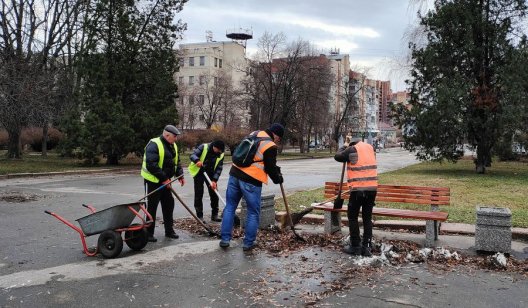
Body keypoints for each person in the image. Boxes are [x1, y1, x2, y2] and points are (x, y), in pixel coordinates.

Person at [219, 123, 285, 251]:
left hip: (234, 174)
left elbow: (254, 155)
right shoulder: (270, 145)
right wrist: (278, 179)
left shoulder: (254, 133)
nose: (278, 141)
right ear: (276, 135)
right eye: (279, 138)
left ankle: (225, 239)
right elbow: (270, 168)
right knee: (253, 212)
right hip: (251, 180)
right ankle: (248, 243)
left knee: (230, 207)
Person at [334, 137, 378, 257]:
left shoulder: (352, 149)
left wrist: (344, 145)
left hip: (358, 190)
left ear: (352, 143)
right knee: (367, 218)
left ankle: (355, 245)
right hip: (372, 189)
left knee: (352, 217)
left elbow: (337, 156)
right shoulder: (371, 148)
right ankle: (367, 246)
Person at [141, 125, 185, 242]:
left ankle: (169, 231)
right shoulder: (154, 144)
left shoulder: (173, 145)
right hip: (153, 182)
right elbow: (151, 165)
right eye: (174, 136)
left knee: (169, 204)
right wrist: (164, 178)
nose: (176, 139)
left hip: (165, 182)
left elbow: (176, 162)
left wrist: (180, 175)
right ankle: (148, 233)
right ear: (166, 135)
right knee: (151, 207)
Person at [188, 140, 225, 222]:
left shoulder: (221, 153)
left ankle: (214, 215)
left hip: (211, 174)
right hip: (199, 172)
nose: (219, 152)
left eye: (220, 150)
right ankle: (199, 216)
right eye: (218, 150)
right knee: (199, 193)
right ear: (214, 147)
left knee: (214, 193)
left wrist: (214, 180)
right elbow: (193, 155)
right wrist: (197, 160)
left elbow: (219, 168)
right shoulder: (203, 147)